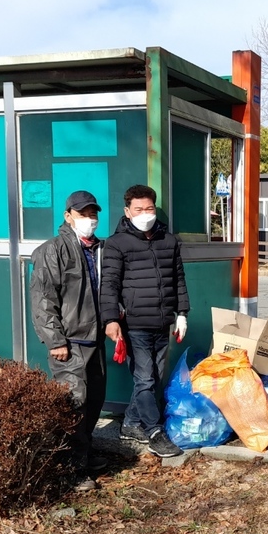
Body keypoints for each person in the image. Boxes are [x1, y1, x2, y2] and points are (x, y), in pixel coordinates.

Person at [100, 184, 189, 459]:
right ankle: (154, 432)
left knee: (154, 379)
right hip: (134, 325)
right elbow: (110, 285)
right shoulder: (116, 244)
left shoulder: (169, 241)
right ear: (127, 211)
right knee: (145, 379)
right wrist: (111, 319)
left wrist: (183, 313)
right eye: (138, 209)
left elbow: (178, 279)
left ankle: (130, 424)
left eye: (149, 208)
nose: (145, 213)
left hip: (163, 322)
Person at [29, 190, 109, 491]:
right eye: (83, 214)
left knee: (93, 402)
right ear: (68, 216)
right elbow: (43, 301)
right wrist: (55, 341)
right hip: (69, 343)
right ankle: (70, 469)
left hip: (95, 339)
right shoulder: (53, 251)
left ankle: (83, 456)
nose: (90, 219)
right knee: (73, 404)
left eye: (93, 214)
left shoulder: (100, 249)